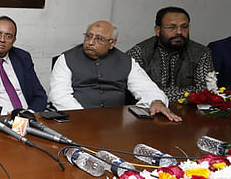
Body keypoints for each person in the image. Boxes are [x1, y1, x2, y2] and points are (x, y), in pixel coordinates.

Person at [50, 20, 181, 121]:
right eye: (88, 36)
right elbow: (60, 96)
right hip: (77, 120)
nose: (90, 42)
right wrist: (84, 116)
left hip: (116, 123)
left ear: (112, 43)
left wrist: (156, 101)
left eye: (99, 39)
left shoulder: (126, 61)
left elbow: (147, 88)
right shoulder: (66, 59)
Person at [127, 7, 214, 102]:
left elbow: (205, 91)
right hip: (148, 110)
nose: (179, 32)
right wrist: (189, 92)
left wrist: (155, 94)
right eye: (172, 27)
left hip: (188, 111)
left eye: (184, 27)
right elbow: (133, 90)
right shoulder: (140, 52)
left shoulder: (201, 53)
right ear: (157, 30)